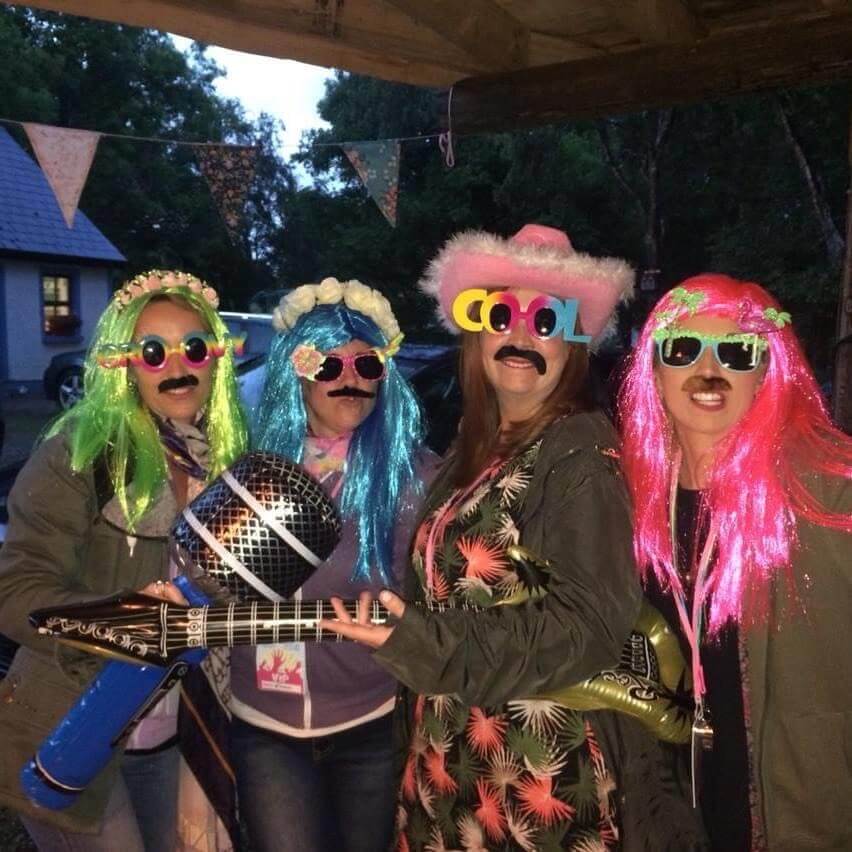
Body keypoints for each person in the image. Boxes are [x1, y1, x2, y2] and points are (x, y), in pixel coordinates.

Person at [324, 225, 707, 850]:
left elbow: (586, 625)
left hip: (535, 774)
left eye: (548, 321)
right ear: (477, 334)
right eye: (501, 313)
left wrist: (421, 641)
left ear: (574, 346)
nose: (523, 335)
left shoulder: (579, 454)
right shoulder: (471, 451)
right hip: (451, 762)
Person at [0, 270, 248, 850]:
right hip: (75, 728)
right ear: (123, 364)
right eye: (152, 352)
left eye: (192, 347)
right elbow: (14, 594)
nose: (176, 366)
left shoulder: (225, 464)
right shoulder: (80, 454)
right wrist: (123, 619)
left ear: (215, 357)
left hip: (170, 732)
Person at [617, 274, 852, 851]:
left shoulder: (830, 493)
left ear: (768, 373)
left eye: (737, 353)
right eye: (683, 349)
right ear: (655, 369)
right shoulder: (626, 496)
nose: (708, 371)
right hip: (674, 801)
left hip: (795, 805)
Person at [229, 276, 439, 852]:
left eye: (366, 366)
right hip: (266, 726)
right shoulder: (250, 468)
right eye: (329, 367)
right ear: (296, 373)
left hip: (368, 719)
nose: (350, 380)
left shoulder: (416, 477)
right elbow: (205, 576)